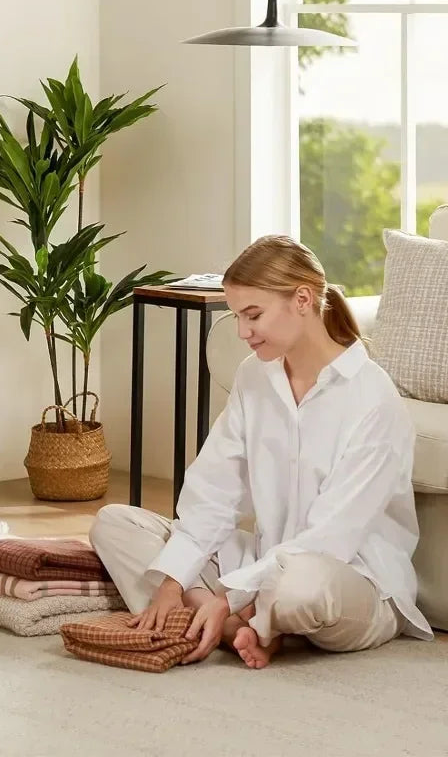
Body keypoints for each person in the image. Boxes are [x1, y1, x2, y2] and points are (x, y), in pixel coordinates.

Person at [90, 235, 433, 669]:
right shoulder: (255, 377)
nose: (242, 332)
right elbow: (212, 492)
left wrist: (230, 594)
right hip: (264, 562)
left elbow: (329, 540)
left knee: (300, 586)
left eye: (253, 315)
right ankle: (237, 628)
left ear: (303, 299)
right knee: (115, 524)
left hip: (351, 580)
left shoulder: (373, 397)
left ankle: (226, 614)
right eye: (237, 316)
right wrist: (172, 582)